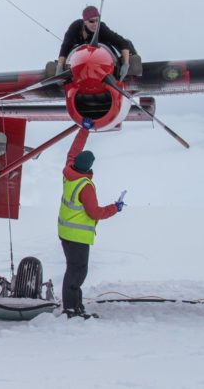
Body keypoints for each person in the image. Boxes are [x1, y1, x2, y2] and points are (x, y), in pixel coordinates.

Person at [58, 118, 124, 319]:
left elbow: (73, 151)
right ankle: (71, 309)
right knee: (77, 272)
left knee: (75, 270)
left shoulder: (69, 172)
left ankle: (75, 307)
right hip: (78, 235)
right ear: (89, 168)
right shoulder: (85, 186)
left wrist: (83, 130)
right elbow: (94, 213)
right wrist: (115, 208)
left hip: (66, 232)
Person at [56, 6, 140, 80]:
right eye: (91, 21)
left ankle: (130, 64)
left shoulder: (101, 28)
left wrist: (126, 64)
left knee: (129, 48)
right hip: (80, 57)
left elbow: (123, 43)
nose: (95, 24)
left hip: (103, 55)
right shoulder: (75, 27)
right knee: (57, 64)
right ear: (84, 21)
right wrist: (60, 67)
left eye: (97, 20)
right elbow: (65, 47)